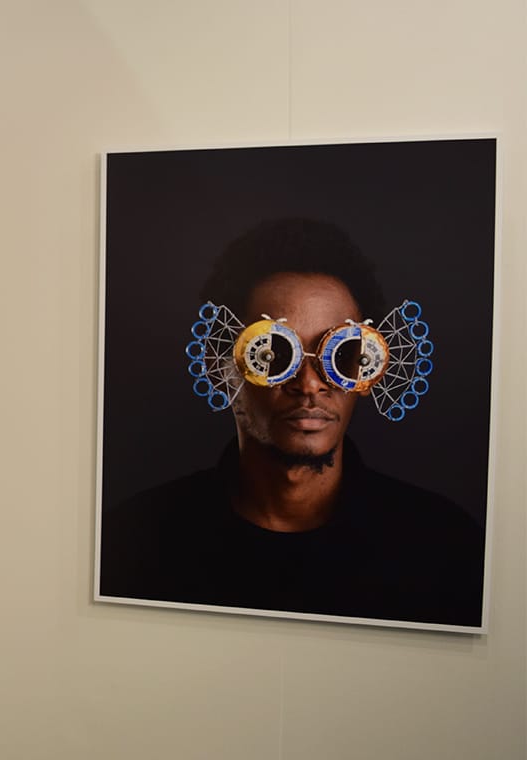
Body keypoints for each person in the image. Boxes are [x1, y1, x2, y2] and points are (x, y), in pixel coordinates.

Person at [98, 218, 485, 628]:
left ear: (369, 370)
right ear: (220, 367)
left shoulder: (443, 546)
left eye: (341, 352)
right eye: (273, 353)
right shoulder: (138, 539)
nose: (310, 384)